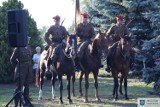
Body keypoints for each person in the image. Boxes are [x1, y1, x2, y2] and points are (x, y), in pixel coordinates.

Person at [10, 37, 32, 107]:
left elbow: (29, 58)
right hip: (21, 69)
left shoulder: (29, 47)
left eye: (28, 40)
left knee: (27, 86)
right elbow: (12, 59)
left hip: (28, 69)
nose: (28, 41)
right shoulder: (18, 48)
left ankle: (26, 103)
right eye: (27, 39)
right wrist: (17, 67)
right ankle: (15, 103)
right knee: (18, 87)